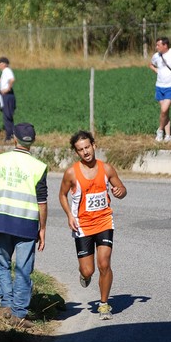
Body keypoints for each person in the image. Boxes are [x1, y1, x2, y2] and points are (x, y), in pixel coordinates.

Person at [0, 123, 48, 328]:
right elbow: (42, 202)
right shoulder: (38, 167)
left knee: (3, 263)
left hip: (2, 222)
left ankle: (5, 304)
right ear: (32, 141)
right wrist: (42, 228)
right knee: (23, 269)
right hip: (27, 224)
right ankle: (19, 314)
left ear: (14, 138)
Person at [59, 131, 127, 320]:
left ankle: (104, 304)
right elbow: (62, 195)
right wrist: (69, 215)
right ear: (76, 152)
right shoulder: (71, 173)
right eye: (80, 150)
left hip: (104, 221)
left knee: (104, 264)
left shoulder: (106, 168)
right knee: (88, 269)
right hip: (82, 226)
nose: (85, 152)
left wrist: (119, 192)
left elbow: (122, 189)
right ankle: (85, 275)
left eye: (87, 147)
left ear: (94, 145)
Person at [0, 57, 16, 142]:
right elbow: (4, 82)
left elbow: (12, 80)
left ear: (4, 63)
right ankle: (10, 135)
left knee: (7, 116)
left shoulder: (7, 70)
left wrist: (7, 89)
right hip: (5, 95)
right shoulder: (4, 72)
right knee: (6, 115)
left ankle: (9, 136)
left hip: (7, 95)